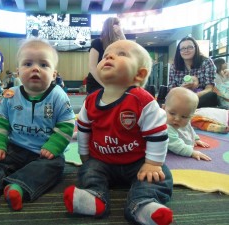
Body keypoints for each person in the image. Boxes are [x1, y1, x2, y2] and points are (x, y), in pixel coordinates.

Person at [0, 39, 75, 211]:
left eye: (44, 65)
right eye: (28, 64)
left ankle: (19, 187)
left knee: (53, 167)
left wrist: (54, 146)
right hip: (15, 148)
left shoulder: (58, 96)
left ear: (54, 74)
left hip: (45, 152)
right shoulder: (11, 96)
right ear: (18, 72)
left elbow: (67, 124)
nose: (35, 68)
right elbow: (0, 122)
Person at [63, 40, 173, 225]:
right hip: (101, 161)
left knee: (161, 176)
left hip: (138, 162)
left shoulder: (142, 100)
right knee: (88, 172)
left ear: (139, 74)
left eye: (121, 54)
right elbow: (83, 129)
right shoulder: (91, 101)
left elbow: (157, 133)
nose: (109, 56)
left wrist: (153, 164)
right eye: (106, 55)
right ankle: (93, 198)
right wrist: (84, 154)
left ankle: (143, 205)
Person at [168, 36, 218, 108]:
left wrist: (193, 97)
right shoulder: (174, 66)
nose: (186, 50)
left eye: (190, 47)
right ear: (179, 52)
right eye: (183, 48)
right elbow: (172, 89)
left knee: (211, 95)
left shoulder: (207, 62)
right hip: (181, 97)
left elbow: (209, 88)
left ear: (196, 48)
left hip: (201, 98)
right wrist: (181, 88)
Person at [164, 87, 211, 161]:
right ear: (164, 108)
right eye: (172, 113)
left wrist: (195, 139)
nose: (177, 119)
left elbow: (190, 129)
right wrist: (192, 152)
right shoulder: (165, 128)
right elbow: (175, 144)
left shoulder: (185, 121)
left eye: (184, 116)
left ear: (190, 116)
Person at [86, 17, 126, 94]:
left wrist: (122, 35)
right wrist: (105, 85)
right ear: (112, 28)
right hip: (97, 82)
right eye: (118, 25)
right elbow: (92, 67)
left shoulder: (119, 45)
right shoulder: (97, 42)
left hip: (113, 81)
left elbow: (129, 53)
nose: (120, 28)